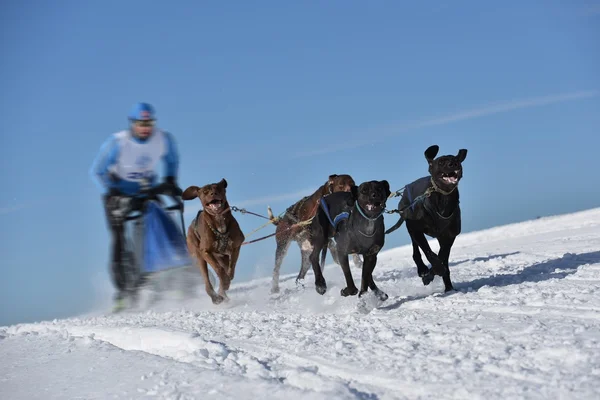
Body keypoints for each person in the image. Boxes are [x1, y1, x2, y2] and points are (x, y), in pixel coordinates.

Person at [90, 102, 182, 308]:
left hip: (146, 191)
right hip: (118, 193)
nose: (145, 127)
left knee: (164, 223)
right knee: (120, 240)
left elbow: (172, 159)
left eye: (149, 123)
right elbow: (97, 171)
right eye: (141, 123)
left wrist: (169, 180)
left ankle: (174, 271)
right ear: (132, 123)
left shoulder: (163, 139)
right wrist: (113, 190)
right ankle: (125, 291)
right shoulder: (117, 142)